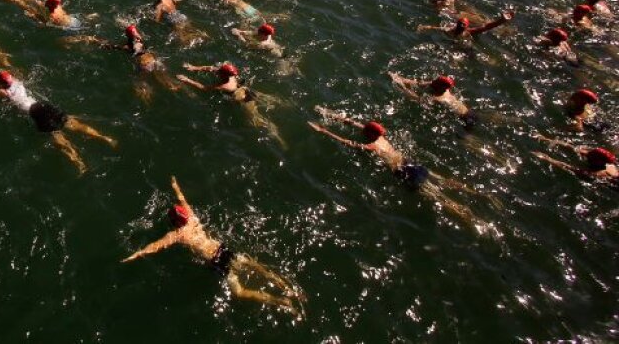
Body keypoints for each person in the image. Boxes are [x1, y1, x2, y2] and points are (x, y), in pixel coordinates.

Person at [121, 177, 302, 315]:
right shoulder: (192, 217)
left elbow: (155, 246)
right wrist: (175, 185)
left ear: (174, 221)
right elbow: (182, 199)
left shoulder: (177, 235)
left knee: (239, 292)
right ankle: (287, 287)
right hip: (224, 250)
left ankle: (279, 301)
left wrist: (136, 254)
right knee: (257, 267)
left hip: (216, 262)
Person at [308, 112, 484, 229]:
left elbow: (349, 143)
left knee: (438, 197)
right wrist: (331, 114)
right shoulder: (381, 138)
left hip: (403, 171)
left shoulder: (373, 146)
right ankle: (472, 191)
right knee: (441, 181)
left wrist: (324, 130)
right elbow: (354, 123)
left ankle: (467, 217)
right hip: (410, 163)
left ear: (369, 134)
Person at [0, 69, 117, 173]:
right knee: (72, 124)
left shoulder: (4, 92)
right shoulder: (17, 81)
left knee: (58, 137)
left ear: (2, 84)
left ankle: (79, 163)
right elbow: (5, 74)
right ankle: (105, 138)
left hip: (35, 113)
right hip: (42, 105)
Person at [176, 63, 284, 146]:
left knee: (256, 119)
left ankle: (278, 137)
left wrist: (187, 80)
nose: (216, 70)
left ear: (223, 74)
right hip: (247, 90)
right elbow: (210, 68)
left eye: (219, 71)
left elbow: (204, 88)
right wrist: (194, 67)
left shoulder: (225, 86)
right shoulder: (231, 75)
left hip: (243, 99)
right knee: (270, 100)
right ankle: (284, 103)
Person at [532, 138, 617, 186]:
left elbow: (569, 168)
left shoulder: (600, 175)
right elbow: (575, 149)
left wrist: (547, 159)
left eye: (589, 156)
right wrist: (546, 139)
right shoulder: (609, 162)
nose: (586, 154)